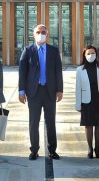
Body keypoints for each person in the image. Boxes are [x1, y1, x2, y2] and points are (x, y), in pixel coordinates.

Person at [18, 24, 64, 160]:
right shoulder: (27, 50)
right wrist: (21, 91)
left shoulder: (54, 51)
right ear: (33, 35)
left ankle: (52, 150)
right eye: (38, 32)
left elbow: (58, 72)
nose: (41, 34)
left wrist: (60, 90)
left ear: (47, 34)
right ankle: (34, 150)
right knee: (34, 122)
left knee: (50, 122)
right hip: (34, 92)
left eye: (43, 32)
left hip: (49, 92)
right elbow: (22, 72)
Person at [75, 45, 99, 159]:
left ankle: (97, 149)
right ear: (84, 56)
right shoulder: (80, 70)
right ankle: (90, 149)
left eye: (93, 53)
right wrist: (78, 104)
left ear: (96, 54)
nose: (91, 56)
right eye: (88, 54)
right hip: (86, 100)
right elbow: (78, 88)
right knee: (88, 125)